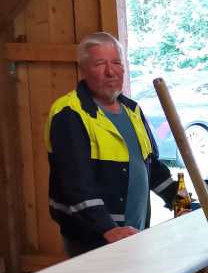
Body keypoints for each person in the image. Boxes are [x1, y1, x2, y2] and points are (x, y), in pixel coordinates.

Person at [46, 32, 177, 257]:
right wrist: (107, 229)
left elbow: (150, 166)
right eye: (100, 64)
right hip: (94, 238)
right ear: (83, 70)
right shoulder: (70, 113)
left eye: (116, 63)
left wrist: (179, 199)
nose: (111, 71)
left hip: (133, 234)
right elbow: (75, 184)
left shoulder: (133, 110)